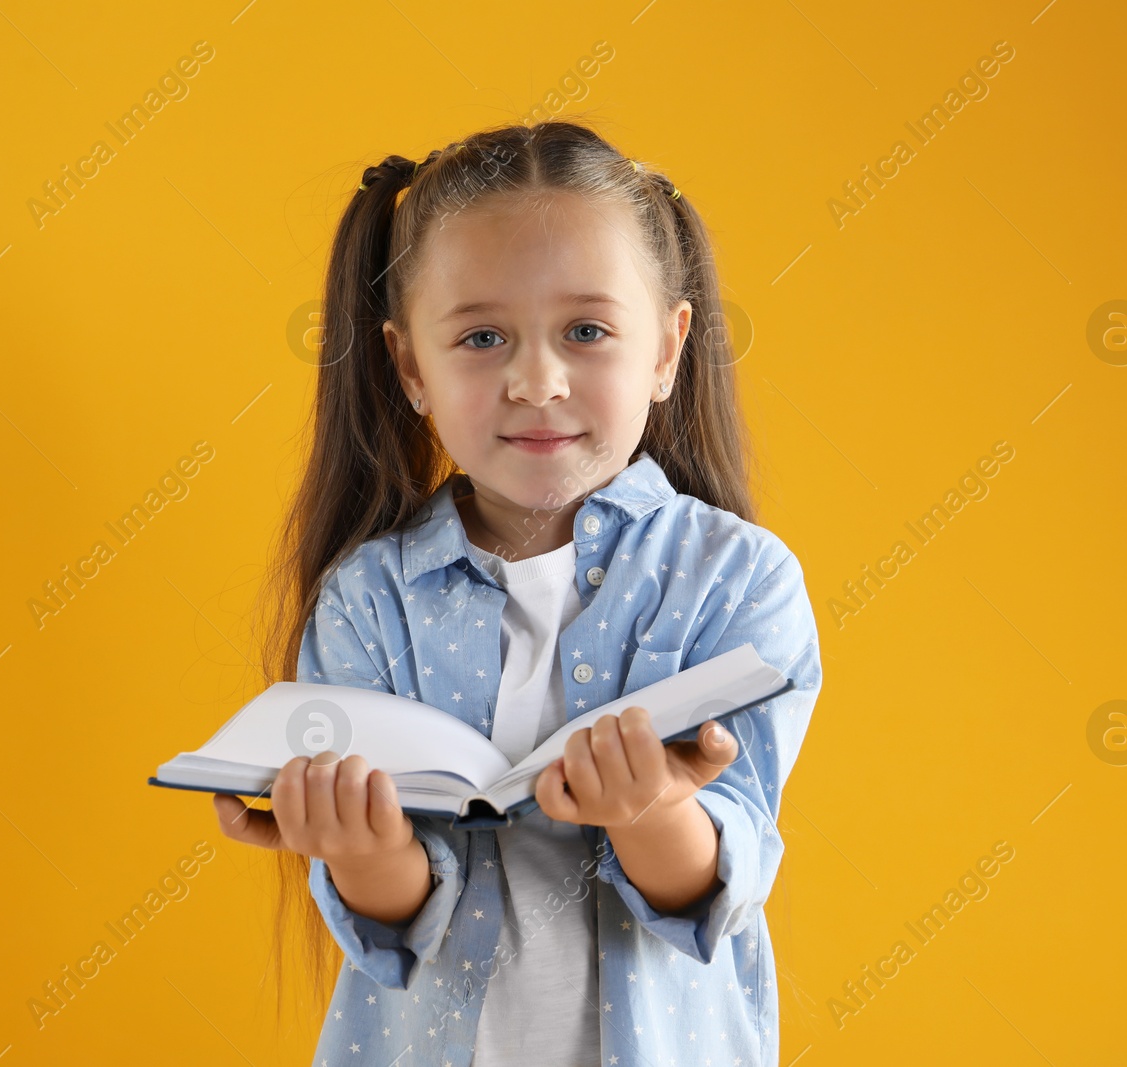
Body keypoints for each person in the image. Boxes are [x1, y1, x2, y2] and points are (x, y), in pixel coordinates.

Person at [212, 119, 823, 1067]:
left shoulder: (737, 581)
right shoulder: (369, 601)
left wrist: (649, 808)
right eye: (483, 337)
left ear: (667, 349)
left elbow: (717, 884)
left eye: (587, 331)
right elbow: (394, 922)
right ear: (411, 366)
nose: (536, 381)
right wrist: (360, 847)